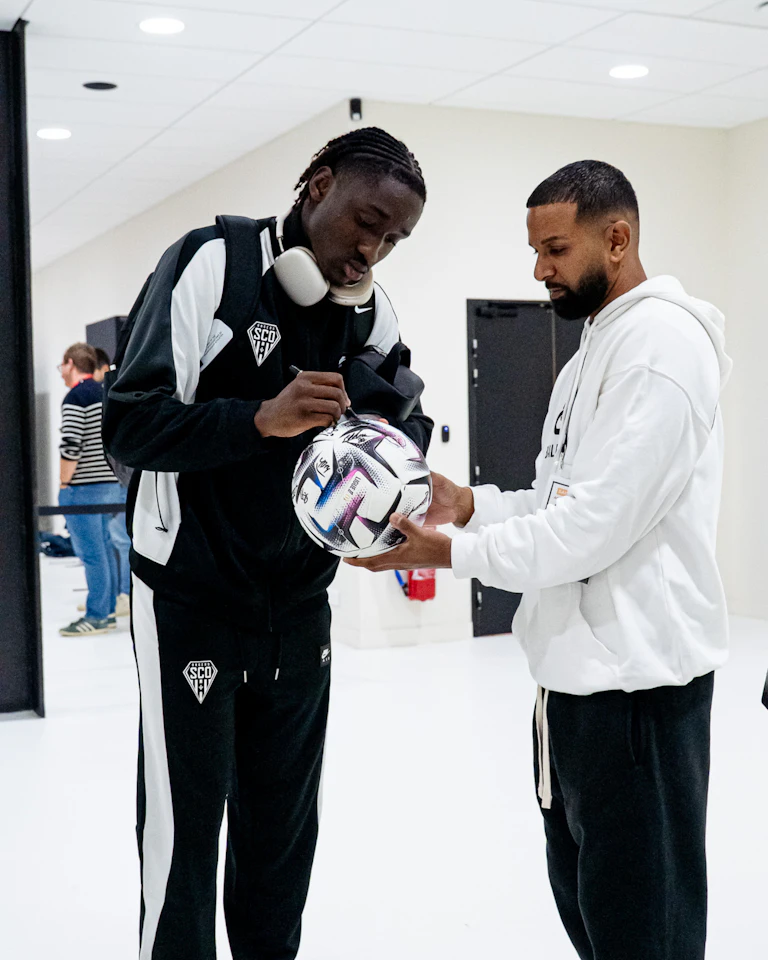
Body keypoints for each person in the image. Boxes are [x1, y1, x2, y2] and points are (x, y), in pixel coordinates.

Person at [349, 160, 731, 960]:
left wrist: (449, 553)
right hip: (573, 695)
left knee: (645, 934)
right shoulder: (596, 344)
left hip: (639, 701)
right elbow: (561, 501)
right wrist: (472, 505)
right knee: (595, 923)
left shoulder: (661, 349)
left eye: (555, 249)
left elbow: (594, 529)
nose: (539, 269)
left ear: (618, 238)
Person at [103, 127, 432, 960]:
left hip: (298, 608)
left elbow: (410, 429)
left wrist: (388, 470)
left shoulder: (373, 314)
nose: (372, 249)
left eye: (394, 239)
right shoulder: (212, 266)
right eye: (366, 220)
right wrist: (258, 418)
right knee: (184, 835)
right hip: (190, 599)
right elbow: (128, 425)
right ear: (316, 185)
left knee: (282, 838)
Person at [58, 342, 124, 635]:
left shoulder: (76, 397)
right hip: (110, 484)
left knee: (91, 554)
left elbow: (71, 444)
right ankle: (106, 610)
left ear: (71, 363)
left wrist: (63, 482)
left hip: (83, 488)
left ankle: (97, 614)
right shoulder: (104, 393)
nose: (61, 373)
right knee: (105, 551)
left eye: (62, 366)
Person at [91, 345, 131, 619]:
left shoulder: (116, 390)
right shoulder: (105, 392)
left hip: (120, 478)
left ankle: (125, 594)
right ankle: (118, 594)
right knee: (114, 539)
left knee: (120, 538)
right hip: (116, 476)